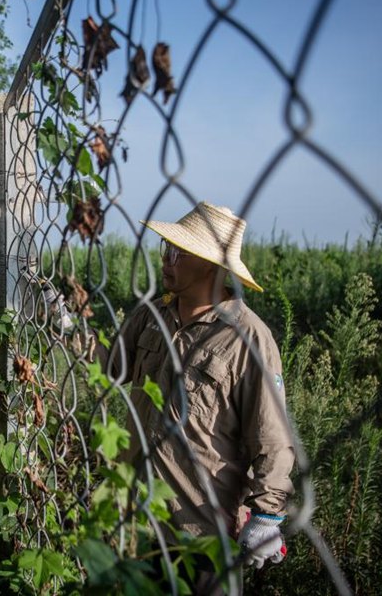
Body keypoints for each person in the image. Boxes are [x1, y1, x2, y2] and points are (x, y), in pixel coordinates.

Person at [104, 202, 295, 591]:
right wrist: (66, 322)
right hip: (137, 524)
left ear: (210, 265)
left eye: (178, 252)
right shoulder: (151, 316)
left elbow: (272, 437)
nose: (166, 260)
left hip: (200, 534)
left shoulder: (248, 339)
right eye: (166, 249)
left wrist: (267, 515)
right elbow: (110, 368)